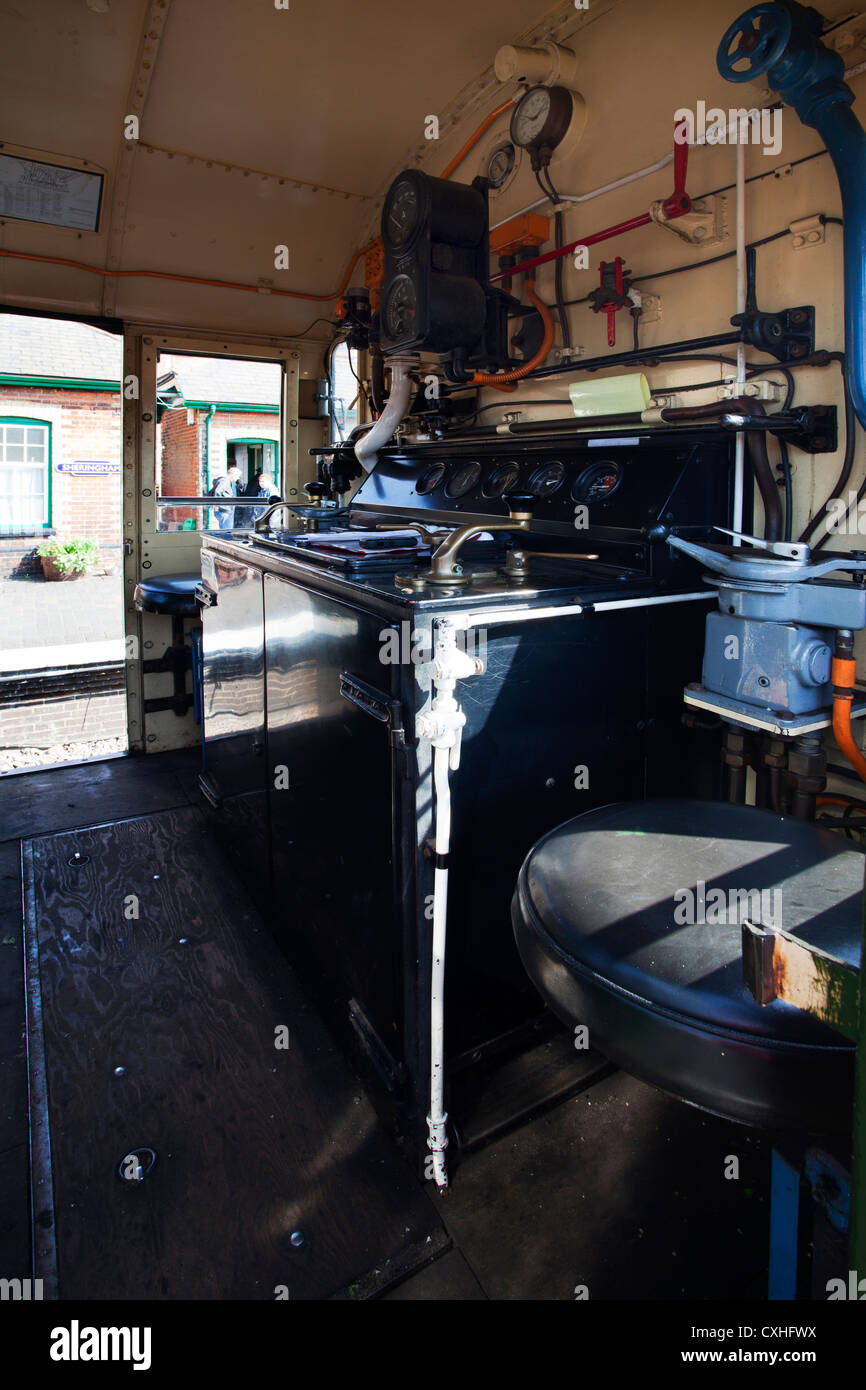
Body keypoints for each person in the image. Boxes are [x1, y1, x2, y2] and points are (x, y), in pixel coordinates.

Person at [209, 462, 241, 530]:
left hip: (224, 510)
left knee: (226, 529)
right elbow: (218, 491)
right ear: (233, 475)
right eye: (238, 476)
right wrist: (216, 505)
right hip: (224, 510)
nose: (238, 478)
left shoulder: (228, 481)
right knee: (226, 531)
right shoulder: (225, 481)